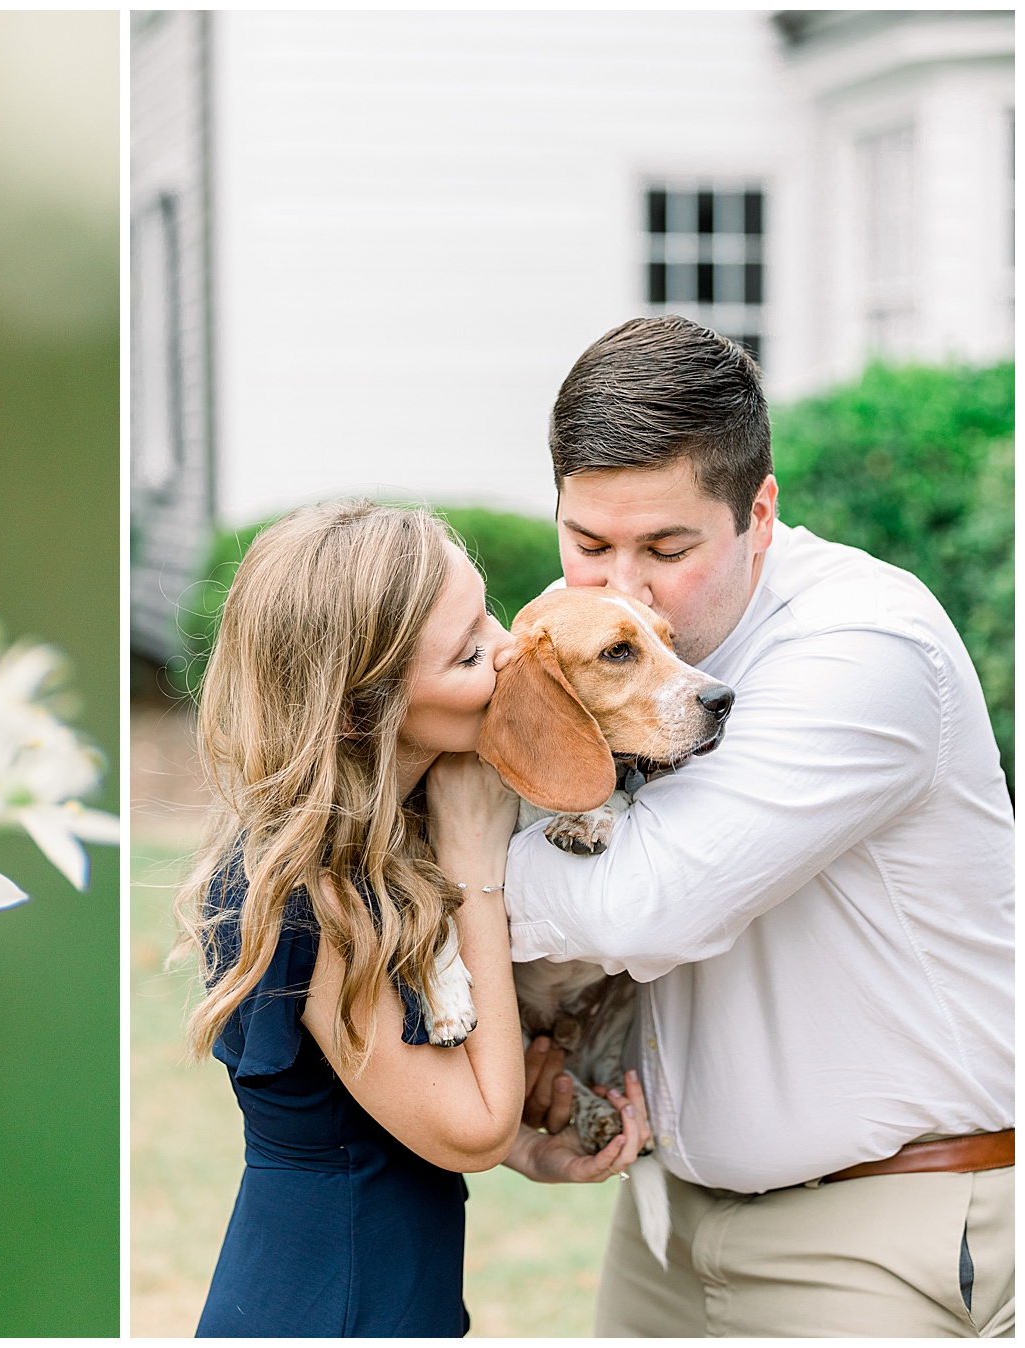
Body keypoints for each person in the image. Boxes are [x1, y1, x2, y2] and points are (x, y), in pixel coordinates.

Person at [504, 316, 1014, 1336]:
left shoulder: (864, 647)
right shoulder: (591, 642)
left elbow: (650, 905)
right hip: (668, 1229)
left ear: (761, 512)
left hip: (883, 1232)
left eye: (668, 547)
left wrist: (455, 879)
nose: (622, 589)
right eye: (588, 543)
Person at [177, 500, 650, 1337]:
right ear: (362, 710)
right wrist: (475, 870)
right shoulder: (310, 893)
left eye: (488, 615)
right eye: (470, 653)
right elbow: (471, 1125)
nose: (510, 652)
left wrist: (524, 1149)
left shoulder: (373, 847)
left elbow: (375, 1102)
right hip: (335, 1308)